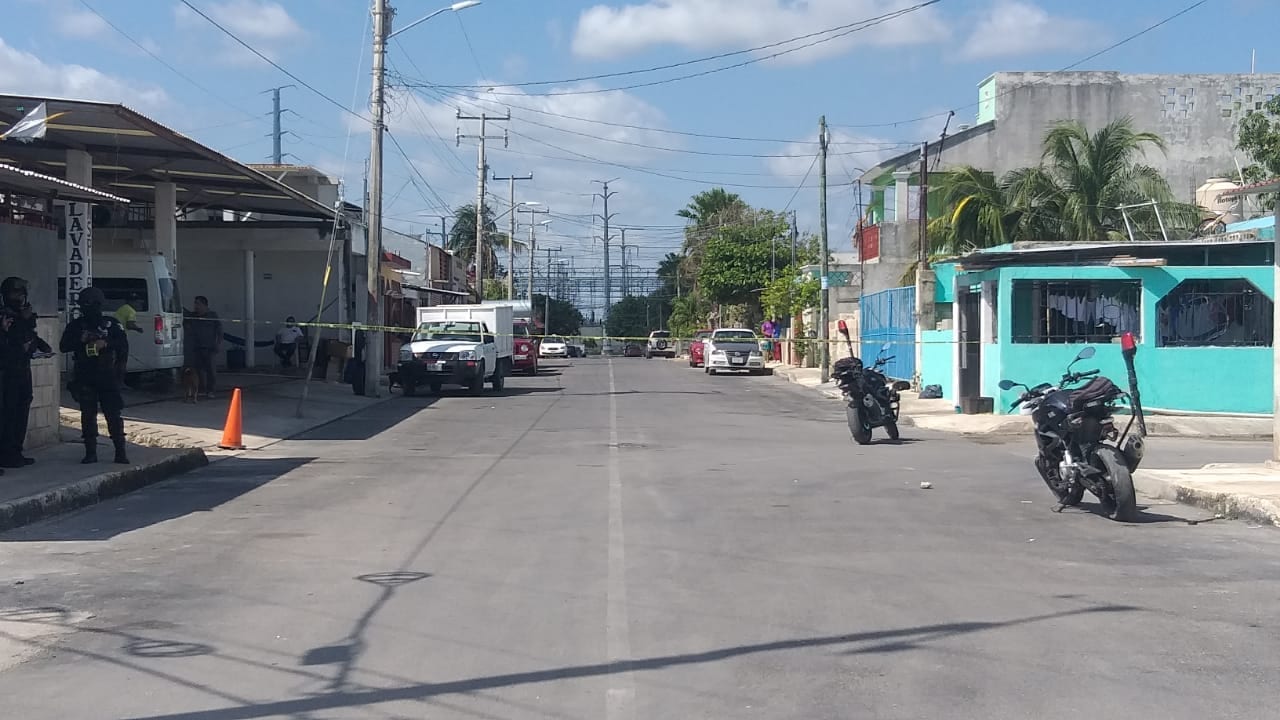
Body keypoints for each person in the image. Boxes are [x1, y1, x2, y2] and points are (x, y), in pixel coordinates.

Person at [60, 286, 129, 465]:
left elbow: (123, 344)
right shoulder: (76, 325)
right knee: (87, 415)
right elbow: (63, 346)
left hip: (107, 375)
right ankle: (91, 452)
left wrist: (105, 343)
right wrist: (80, 339)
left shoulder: (110, 323)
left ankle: (120, 451)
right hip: (85, 375)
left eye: (90, 304)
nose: (87, 307)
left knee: (113, 415)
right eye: (84, 304)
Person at [0, 277, 52, 468]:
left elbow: (30, 336)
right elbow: (9, 341)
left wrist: (42, 346)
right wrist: (22, 321)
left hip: (23, 369)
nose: (19, 297)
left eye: (21, 294)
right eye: (15, 294)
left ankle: (16, 452)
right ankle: (7, 453)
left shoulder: (23, 315)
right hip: (8, 372)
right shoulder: (5, 316)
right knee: (9, 413)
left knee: (22, 411)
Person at [185, 295, 222, 398]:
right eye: (195, 304)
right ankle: (200, 389)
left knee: (211, 371)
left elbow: (219, 331)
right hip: (197, 347)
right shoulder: (192, 316)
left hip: (210, 348)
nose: (196, 306)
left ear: (205, 305)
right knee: (198, 370)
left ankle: (211, 391)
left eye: (198, 304)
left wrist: (218, 344)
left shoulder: (212, 316)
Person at [113, 292, 144, 384]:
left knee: (116, 360)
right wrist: (138, 329)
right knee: (122, 361)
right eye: (136, 301)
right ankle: (120, 383)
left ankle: (115, 382)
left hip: (114, 336)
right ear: (132, 302)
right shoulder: (131, 311)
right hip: (121, 337)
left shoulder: (122, 308)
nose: (137, 303)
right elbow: (129, 324)